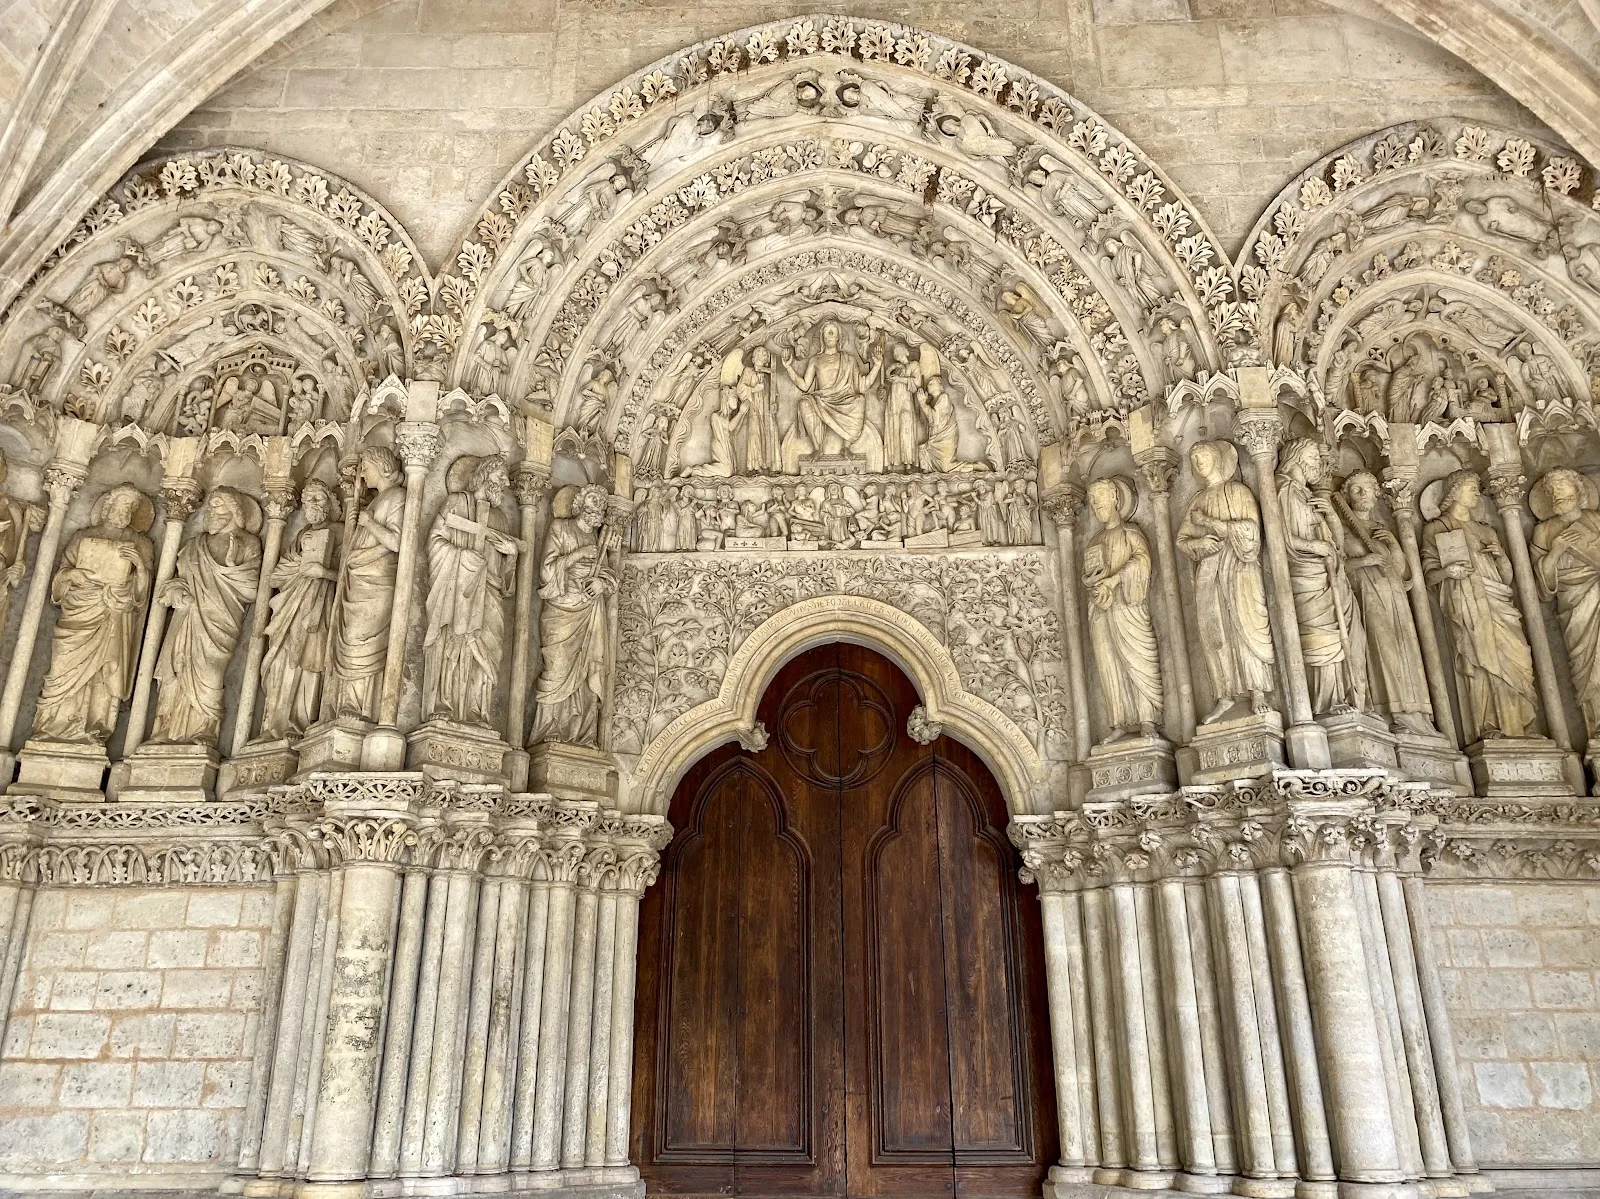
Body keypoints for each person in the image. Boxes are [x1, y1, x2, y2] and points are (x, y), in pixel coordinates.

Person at [33, 486, 154, 743]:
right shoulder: (82, 537)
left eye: (128, 509)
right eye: (119, 506)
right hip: (78, 612)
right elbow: (61, 575)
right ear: (107, 508)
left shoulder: (141, 544)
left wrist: (140, 566)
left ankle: (92, 728)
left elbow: (142, 595)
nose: (122, 513)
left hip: (113, 614)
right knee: (62, 667)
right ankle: (53, 726)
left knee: (103, 672)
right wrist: (71, 574)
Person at [1423, 469, 1537, 740]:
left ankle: (1520, 726)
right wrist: (1448, 572)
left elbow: (1507, 579)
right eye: (1471, 487)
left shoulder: (1487, 530)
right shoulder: (1437, 528)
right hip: (1466, 602)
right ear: (1454, 492)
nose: (1476, 493)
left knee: (1517, 656)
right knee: (1480, 660)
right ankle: (1490, 725)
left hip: (1498, 601)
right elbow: (1428, 575)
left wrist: (1501, 558)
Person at [1178, 440, 1275, 723]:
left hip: (1240, 570)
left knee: (1244, 625)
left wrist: (1212, 524)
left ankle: (1257, 691)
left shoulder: (1238, 491)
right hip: (1209, 572)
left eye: (1203, 456)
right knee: (1215, 631)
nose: (1199, 463)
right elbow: (1182, 540)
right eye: (1194, 459)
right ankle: (1224, 695)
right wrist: (1199, 544)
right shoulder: (1197, 500)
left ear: (1218, 458)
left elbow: (1251, 532)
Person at [1083, 477, 1163, 741]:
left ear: (1115, 497)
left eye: (1100, 497)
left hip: (1129, 608)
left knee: (1136, 660)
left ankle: (1147, 719)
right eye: (1092, 501)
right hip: (1102, 610)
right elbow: (1090, 575)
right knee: (1109, 664)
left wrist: (1114, 579)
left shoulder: (1131, 533)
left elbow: (1142, 562)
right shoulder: (1094, 541)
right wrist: (1094, 583)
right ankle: (1119, 722)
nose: (1096, 504)